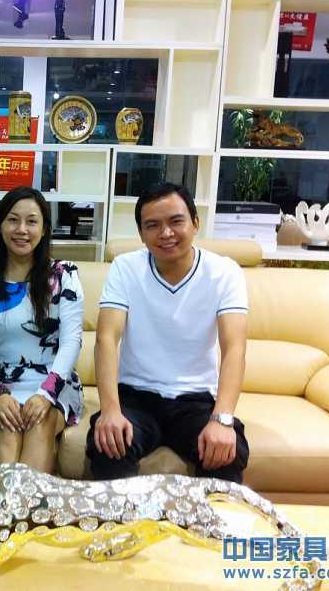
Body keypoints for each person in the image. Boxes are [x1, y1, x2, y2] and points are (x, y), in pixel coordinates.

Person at [87, 183, 250, 483]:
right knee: (107, 444)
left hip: (195, 401)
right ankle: (124, 516)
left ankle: (208, 516)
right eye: (152, 225)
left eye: (176, 221)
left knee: (228, 451)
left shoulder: (224, 272)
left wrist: (222, 419)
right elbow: (106, 339)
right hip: (136, 397)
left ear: (195, 223)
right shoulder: (125, 268)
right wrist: (110, 410)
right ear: (141, 233)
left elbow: (234, 349)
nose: (165, 233)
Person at [0, 186, 84, 473]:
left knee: (39, 422)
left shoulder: (64, 275)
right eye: (12, 220)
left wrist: (47, 393)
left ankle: (23, 502)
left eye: (31, 221)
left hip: (55, 381)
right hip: (1, 381)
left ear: (44, 229)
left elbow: (72, 341)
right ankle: (9, 501)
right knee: (6, 425)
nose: (22, 229)